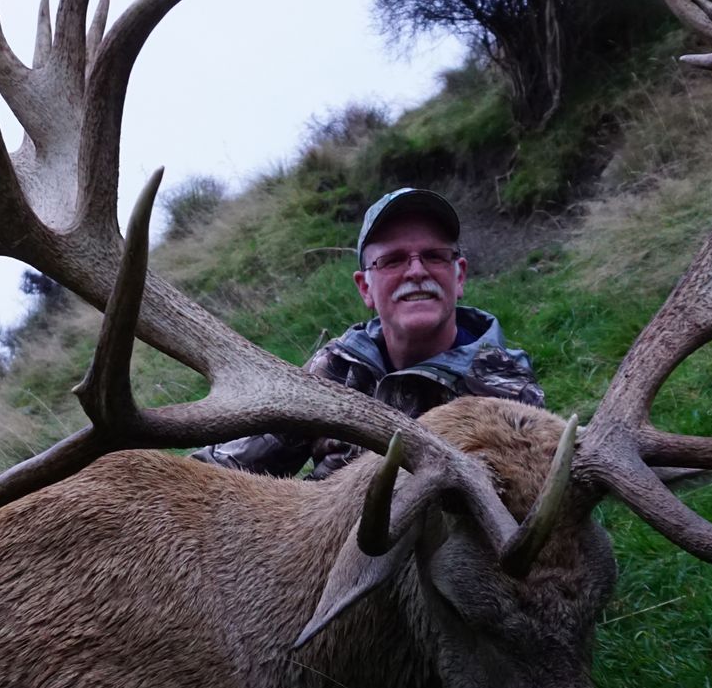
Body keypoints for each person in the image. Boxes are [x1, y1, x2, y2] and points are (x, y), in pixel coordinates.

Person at [193, 187, 544, 479]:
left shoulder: (509, 394)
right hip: (323, 552)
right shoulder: (336, 369)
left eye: (435, 256)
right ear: (365, 289)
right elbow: (227, 467)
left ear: (460, 276)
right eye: (393, 260)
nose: (417, 271)